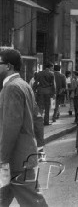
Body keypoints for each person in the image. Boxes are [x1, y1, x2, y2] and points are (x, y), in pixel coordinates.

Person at [0, 48, 48, 206]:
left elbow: (10, 127)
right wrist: (40, 147)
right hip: (22, 156)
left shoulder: (12, 88)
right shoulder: (24, 85)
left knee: (34, 203)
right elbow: (37, 119)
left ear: (8, 66)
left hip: (15, 160)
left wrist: (3, 159)